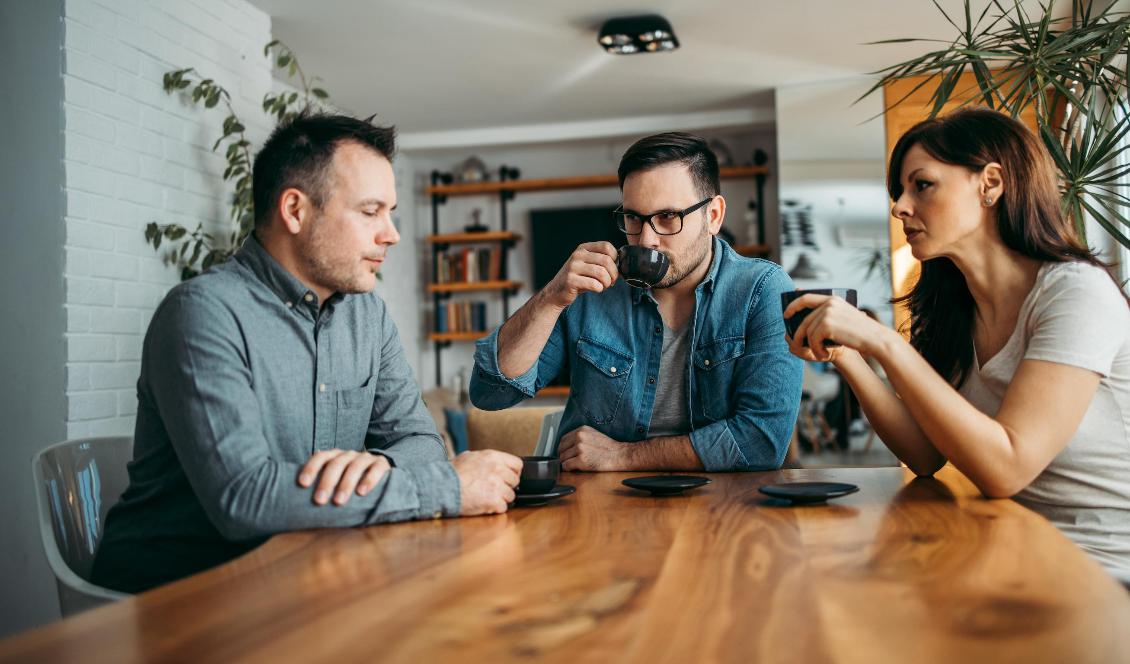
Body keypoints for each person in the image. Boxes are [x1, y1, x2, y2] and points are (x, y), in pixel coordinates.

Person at [92, 114, 522, 593]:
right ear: (295, 210)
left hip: (300, 578)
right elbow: (245, 499)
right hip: (178, 599)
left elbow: (423, 445)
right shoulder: (200, 314)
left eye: (391, 211)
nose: (392, 233)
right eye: (370, 211)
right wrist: (444, 489)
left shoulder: (368, 316)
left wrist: (381, 467)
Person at [783, 107, 1130, 581]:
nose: (900, 206)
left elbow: (1007, 467)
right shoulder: (957, 308)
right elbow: (926, 455)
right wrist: (847, 355)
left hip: (1105, 570)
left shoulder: (1075, 292)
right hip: (1016, 549)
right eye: (899, 192)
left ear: (990, 183)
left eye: (921, 185)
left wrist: (883, 341)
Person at [470, 132, 803, 472]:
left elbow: (761, 443)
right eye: (633, 218)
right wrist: (550, 299)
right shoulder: (592, 290)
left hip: (722, 504)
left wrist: (622, 456)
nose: (646, 240)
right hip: (595, 504)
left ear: (713, 216)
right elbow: (490, 393)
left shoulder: (761, 290)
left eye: (668, 218)